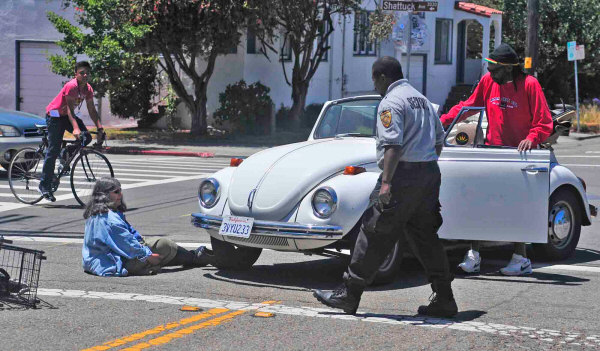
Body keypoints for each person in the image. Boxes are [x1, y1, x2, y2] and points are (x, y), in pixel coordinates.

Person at [313, 56, 457, 318]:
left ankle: (349, 293)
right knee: (425, 237)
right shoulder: (422, 100)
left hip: (402, 175)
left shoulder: (391, 102)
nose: (375, 85)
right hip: (428, 173)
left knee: (373, 230)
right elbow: (439, 141)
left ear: (382, 77)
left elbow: (393, 146)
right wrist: (425, 165)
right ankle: (445, 298)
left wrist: (387, 182)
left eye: (374, 80)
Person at [440, 43, 553, 276]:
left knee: (518, 208)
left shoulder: (529, 85)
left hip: (519, 156)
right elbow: (469, 105)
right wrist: (445, 119)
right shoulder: (488, 82)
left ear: (509, 68)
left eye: (494, 69)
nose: (490, 74)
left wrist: (532, 137)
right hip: (492, 150)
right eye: (489, 68)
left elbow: (544, 121)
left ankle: (521, 258)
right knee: (479, 203)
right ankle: (474, 255)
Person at [82, 177, 215, 276]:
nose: (120, 195)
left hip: (96, 260)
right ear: (104, 195)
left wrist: (141, 242)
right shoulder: (109, 220)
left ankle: (194, 257)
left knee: (156, 246)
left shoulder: (100, 212)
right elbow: (127, 244)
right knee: (163, 245)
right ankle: (196, 257)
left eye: (120, 191)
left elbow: (129, 233)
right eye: (116, 192)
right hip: (112, 261)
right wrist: (147, 255)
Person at [40, 61, 105, 202]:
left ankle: (66, 154)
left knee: (86, 137)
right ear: (76, 74)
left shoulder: (88, 89)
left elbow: (92, 109)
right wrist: (75, 128)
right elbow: (69, 110)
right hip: (55, 116)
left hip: (67, 117)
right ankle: (44, 185)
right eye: (82, 72)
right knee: (53, 149)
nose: (85, 75)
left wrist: (100, 127)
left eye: (87, 72)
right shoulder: (71, 86)